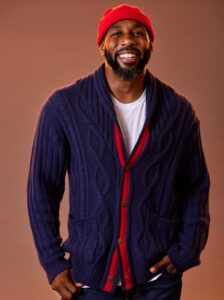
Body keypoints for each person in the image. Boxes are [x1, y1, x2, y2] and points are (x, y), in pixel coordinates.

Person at [27, 4, 210, 300]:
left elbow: (195, 188)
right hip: (90, 277)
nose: (128, 40)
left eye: (138, 33)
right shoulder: (65, 107)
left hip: (157, 278)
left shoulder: (178, 112)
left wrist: (188, 249)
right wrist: (52, 261)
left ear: (150, 45)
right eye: (117, 34)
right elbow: (42, 188)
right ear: (102, 45)